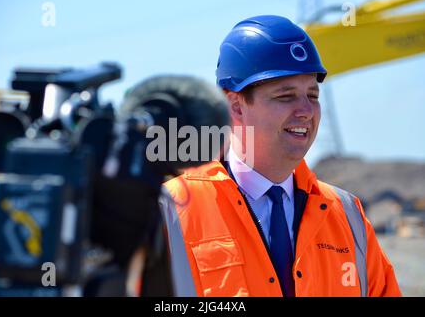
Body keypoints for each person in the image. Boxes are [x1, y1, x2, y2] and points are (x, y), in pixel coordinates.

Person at [162, 15, 402, 297]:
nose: (306, 111)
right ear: (236, 107)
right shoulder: (173, 209)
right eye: (286, 96)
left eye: (312, 96)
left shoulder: (348, 216)